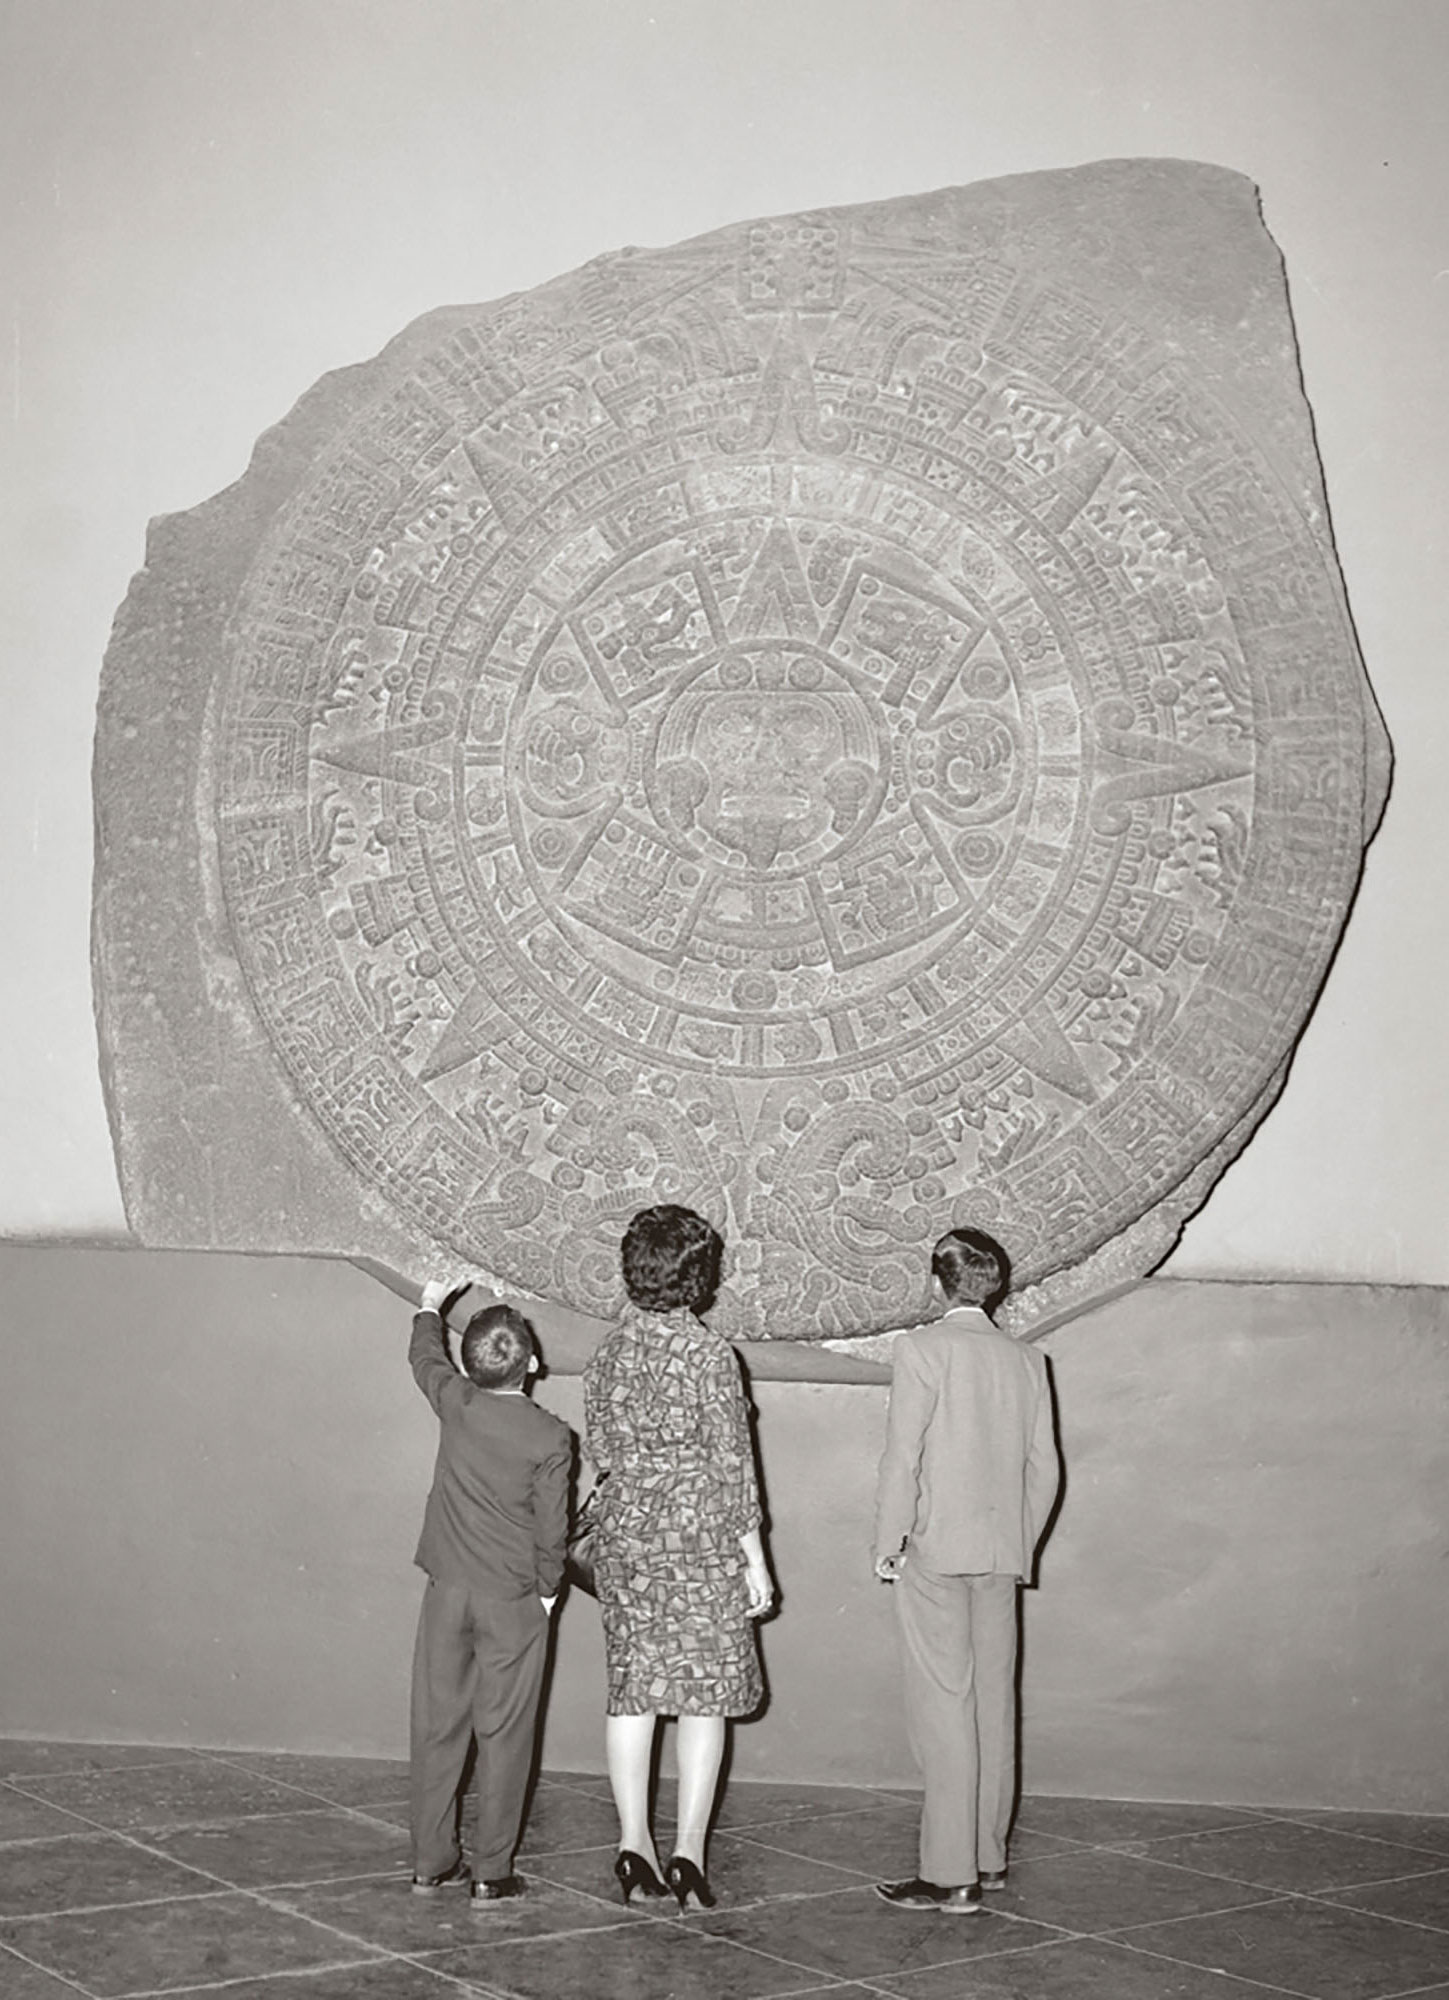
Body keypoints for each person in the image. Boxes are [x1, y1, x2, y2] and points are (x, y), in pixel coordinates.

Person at [582, 1204, 775, 1910]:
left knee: (633, 1693)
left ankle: (633, 1847)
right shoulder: (709, 1357)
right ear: (699, 1279)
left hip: (630, 1537)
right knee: (704, 1698)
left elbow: (601, 1450)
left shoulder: (608, 1354)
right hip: (700, 1538)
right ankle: (689, 1853)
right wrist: (754, 1559)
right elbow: (733, 1466)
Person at [872, 1227, 1060, 1914]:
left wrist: (889, 1540)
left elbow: (902, 1459)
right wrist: (1017, 1544)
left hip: (934, 1552)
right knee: (992, 1703)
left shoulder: (919, 1351)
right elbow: (1044, 1470)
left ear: (936, 1283)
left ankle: (949, 1873)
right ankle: (987, 1855)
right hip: (999, 1554)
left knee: (942, 1709)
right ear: (993, 1287)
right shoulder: (1026, 1359)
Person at [407, 1284, 571, 1904]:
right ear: (532, 1364)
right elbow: (552, 1531)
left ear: (471, 1367)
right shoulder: (551, 1438)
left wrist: (430, 1301)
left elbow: (425, 1357)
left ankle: (429, 1861)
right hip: (513, 1599)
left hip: (447, 1588)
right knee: (505, 1735)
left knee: (436, 1726)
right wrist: (550, 1593)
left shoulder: (457, 1403)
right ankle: (491, 1871)